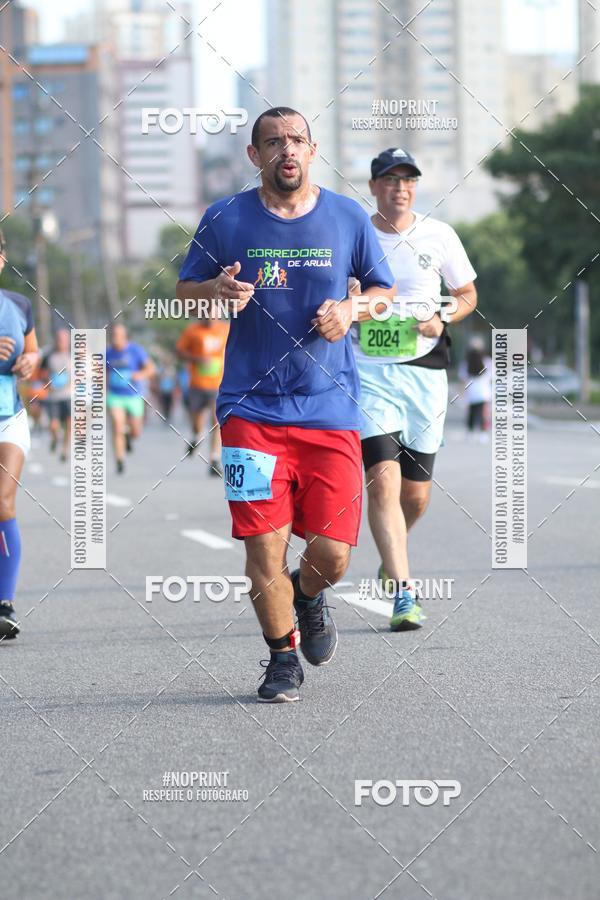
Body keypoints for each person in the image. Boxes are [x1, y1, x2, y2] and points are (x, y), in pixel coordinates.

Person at [176, 106, 394, 702]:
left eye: (296, 139)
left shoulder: (348, 216)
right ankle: (281, 659)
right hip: (250, 412)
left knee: (334, 555)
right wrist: (214, 291)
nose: (286, 150)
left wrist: (352, 310)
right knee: (262, 544)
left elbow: (382, 292)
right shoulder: (224, 218)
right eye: (273, 142)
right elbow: (185, 293)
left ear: (313, 148)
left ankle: (309, 593)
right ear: (255, 156)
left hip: (328, 409)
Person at [354, 148, 477, 631]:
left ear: (416, 187)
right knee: (382, 478)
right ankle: (405, 594)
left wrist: (439, 316)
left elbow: (467, 294)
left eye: (407, 180)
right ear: (374, 186)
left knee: (416, 497)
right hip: (368, 373)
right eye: (389, 179)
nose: (399, 188)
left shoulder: (439, 234)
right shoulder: (355, 235)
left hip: (425, 374)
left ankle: (392, 557)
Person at [0, 230, 40, 640]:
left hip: (8, 416)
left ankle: (4, 603)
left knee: (3, 502)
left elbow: (33, 352)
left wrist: (29, 361)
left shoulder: (18, 304)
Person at [175, 318, 228, 475]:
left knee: (216, 421)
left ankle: (214, 459)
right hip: (197, 384)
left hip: (218, 384)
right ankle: (196, 436)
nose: (211, 316)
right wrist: (196, 359)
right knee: (197, 423)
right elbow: (179, 351)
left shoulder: (226, 329)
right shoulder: (193, 330)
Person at [106, 324, 154, 474]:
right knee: (117, 425)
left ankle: (129, 436)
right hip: (115, 395)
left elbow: (151, 369)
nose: (116, 338)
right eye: (113, 334)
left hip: (133, 395)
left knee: (136, 432)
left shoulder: (136, 351)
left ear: (125, 336)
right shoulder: (107, 353)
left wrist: (139, 375)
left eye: (119, 335)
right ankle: (119, 460)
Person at [41, 328, 71, 462]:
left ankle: (65, 450)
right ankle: (54, 438)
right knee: (54, 425)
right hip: (53, 396)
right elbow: (41, 373)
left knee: (70, 424)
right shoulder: (49, 355)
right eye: (59, 339)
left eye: (64, 340)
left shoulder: (73, 355)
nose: (62, 342)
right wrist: (47, 381)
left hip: (69, 395)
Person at [459, 337, 491, 441]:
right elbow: (492, 377)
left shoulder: (466, 362)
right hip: (483, 391)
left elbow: (463, 378)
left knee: (472, 413)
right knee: (482, 413)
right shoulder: (487, 361)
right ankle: (483, 433)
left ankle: (470, 432)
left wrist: (462, 392)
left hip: (471, 391)